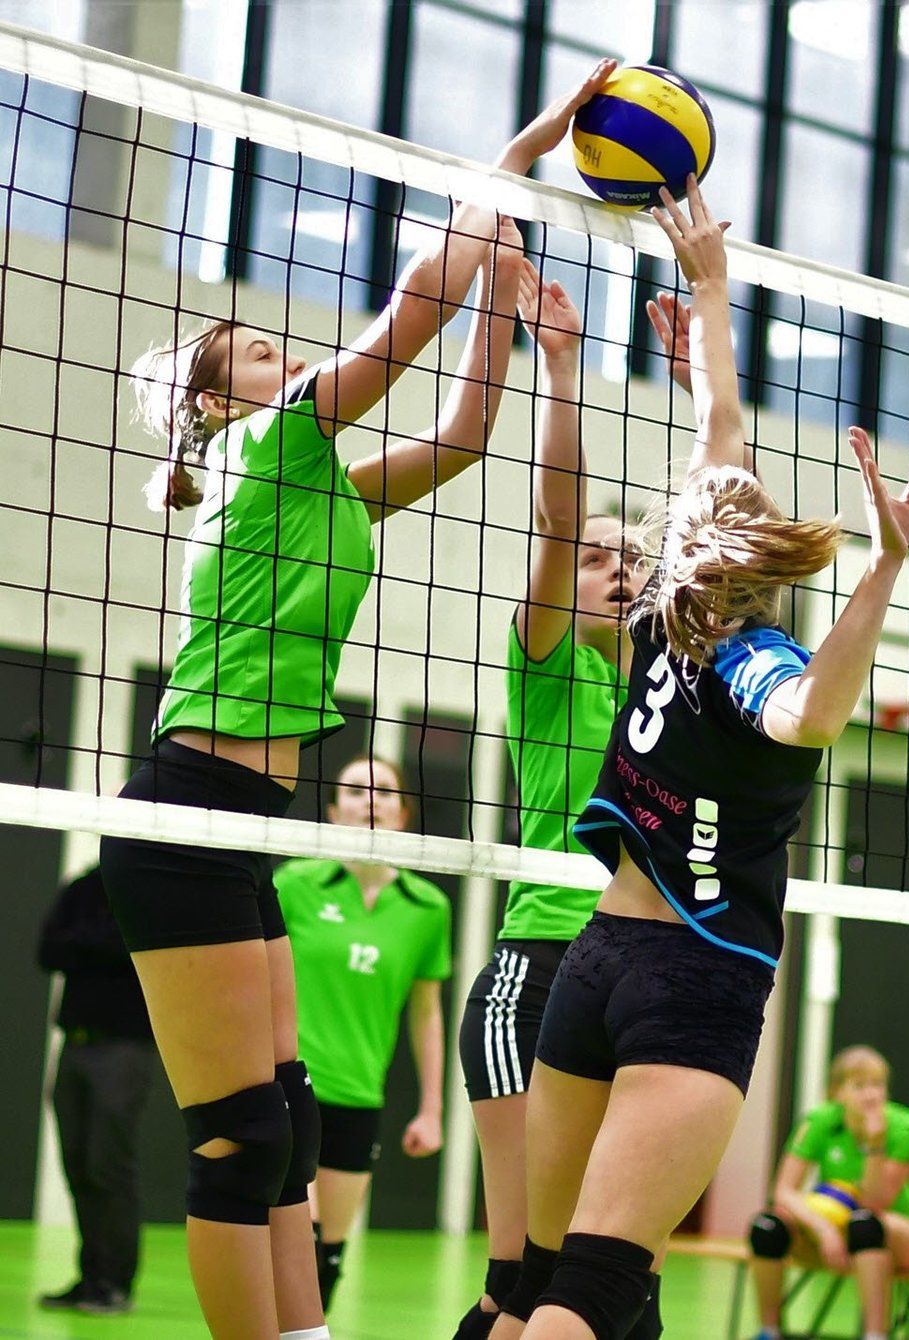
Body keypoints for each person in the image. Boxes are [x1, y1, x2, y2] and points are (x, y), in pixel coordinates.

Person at [97, 62, 607, 1339]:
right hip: (186, 810)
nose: (289, 350)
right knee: (237, 1139)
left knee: (291, 1119)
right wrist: (525, 151)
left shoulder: (316, 478)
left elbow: (463, 433)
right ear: (219, 404)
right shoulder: (266, 450)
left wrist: (508, 298)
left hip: (241, 817)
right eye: (262, 350)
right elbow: (411, 308)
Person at [485, 174, 909, 1340]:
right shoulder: (751, 658)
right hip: (695, 977)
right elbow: (812, 720)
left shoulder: (653, 618)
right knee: (588, 1292)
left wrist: (715, 290)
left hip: (592, 962)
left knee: (540, 1285)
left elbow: (716, 439)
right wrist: (882, 572)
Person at [449, 223, 669, 1340]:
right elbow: (553, 513)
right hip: (534, 972)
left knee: (623, 1285)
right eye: (599, 553)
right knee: (526, 1278)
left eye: (632, 556)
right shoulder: (547, 664)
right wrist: (566, 366)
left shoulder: (666, 692)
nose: (616, 565)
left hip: (638, 973)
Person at [279, 756, 452, 1311]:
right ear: (334, 811)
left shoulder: (428, 908)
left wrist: (432, 1109)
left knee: (328, 1255)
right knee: (294, 1241)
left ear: (403, 814)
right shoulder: (294, 884)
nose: (370, 800)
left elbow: (426, 1012)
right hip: (290, 1090)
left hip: (360, 1096)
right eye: (355, 790)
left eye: (384, 791)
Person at [36, 864, 156, 1316]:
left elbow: (133, 949)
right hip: (74, 1044)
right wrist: (102, 942)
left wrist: (84, 944)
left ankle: (116, 1284)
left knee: (109, 1165)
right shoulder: (85, 885)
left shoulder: (149, 884)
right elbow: (48, 950)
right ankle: (90, 1277)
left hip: (125, 1047)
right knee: (79, 1165)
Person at [749, 1045, 909, 1340]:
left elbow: (875, 1202)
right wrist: (823, 1229)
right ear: (837, 1092)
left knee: (864, 1223)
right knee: (768, 1226)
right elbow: (782, 1190)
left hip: (896, 1230)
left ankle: (875, 1334)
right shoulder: (819, 1121)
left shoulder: (904, 1126)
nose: (871, 1095)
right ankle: (770, 1330)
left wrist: (875, 1144)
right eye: (859, 1086)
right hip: (833, 1228)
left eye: (878, 1085)